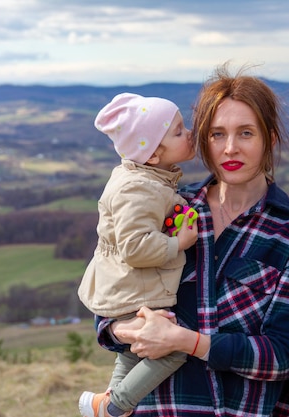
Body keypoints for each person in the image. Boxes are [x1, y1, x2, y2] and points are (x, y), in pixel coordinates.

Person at [95, 64, 289, 417]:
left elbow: (282, 356)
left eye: (246, 134)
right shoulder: (169, 211)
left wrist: (186, 342)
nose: (230, 149)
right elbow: (111, 298)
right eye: (217, 134)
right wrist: (126, 328)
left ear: (269, 138)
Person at [77, 92, 198, 417]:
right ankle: (117, 405)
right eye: (178, 131)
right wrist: (179, 243)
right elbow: (135, 247)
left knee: (132, 353)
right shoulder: (138, 188)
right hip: (131, 289)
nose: (189, 134)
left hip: (127, 287)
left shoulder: (145, 178)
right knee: (172, 350)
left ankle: (105, 406)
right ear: (154, 154)